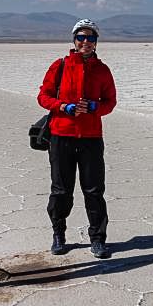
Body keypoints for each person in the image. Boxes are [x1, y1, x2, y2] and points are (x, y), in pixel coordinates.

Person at [37, 19, 117, 258]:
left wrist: (94, 107)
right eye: (81, 37)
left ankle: (98, 239)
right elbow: (43, 96)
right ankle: (59, 234)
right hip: (62, 137)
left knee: (94, 191)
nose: (86, 42)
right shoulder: (60, 66)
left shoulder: (102, 70)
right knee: (61, 190)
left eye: (90, 38)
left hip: (91, 138)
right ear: (73, 40)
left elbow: (110, 102)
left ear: (96, 42)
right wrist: (63, 107)